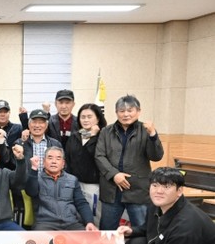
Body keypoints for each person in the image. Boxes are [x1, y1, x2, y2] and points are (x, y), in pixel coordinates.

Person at [95, 95, 164, 230]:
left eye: (130, 110)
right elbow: (99, 156)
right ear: (116, 112)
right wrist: (114, 174)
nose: (126, 114)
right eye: (122, 111)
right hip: (111, 189)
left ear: (138, 111)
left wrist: (153, 135)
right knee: (107, 231)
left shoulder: (146, 131)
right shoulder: (106, 131)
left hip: (137, 190)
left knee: (142, 230)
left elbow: (156, 156)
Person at [25, 147, 98, 231]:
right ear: (44, 162)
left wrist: (89, 222)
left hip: (71, 223)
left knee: (89, 237)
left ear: (63, 163)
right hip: (45, 223)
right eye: (50, 158)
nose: (54, 161)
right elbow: (31, 192)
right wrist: (34, 169)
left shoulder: (72, 179)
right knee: (39, 237)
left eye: (58, 158)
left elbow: (81, 203)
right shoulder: (36, 178)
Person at [64, 103, 107, 225]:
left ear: (98, 119)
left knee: (94, 218)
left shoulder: (103, 136)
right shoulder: (75, 136)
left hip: (93, 185)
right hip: (75, 184)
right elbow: (68, 159)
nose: (86, 120)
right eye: (83, 117)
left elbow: (96, 155)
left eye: (89, 116)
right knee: (77, 217)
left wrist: (93, 136)